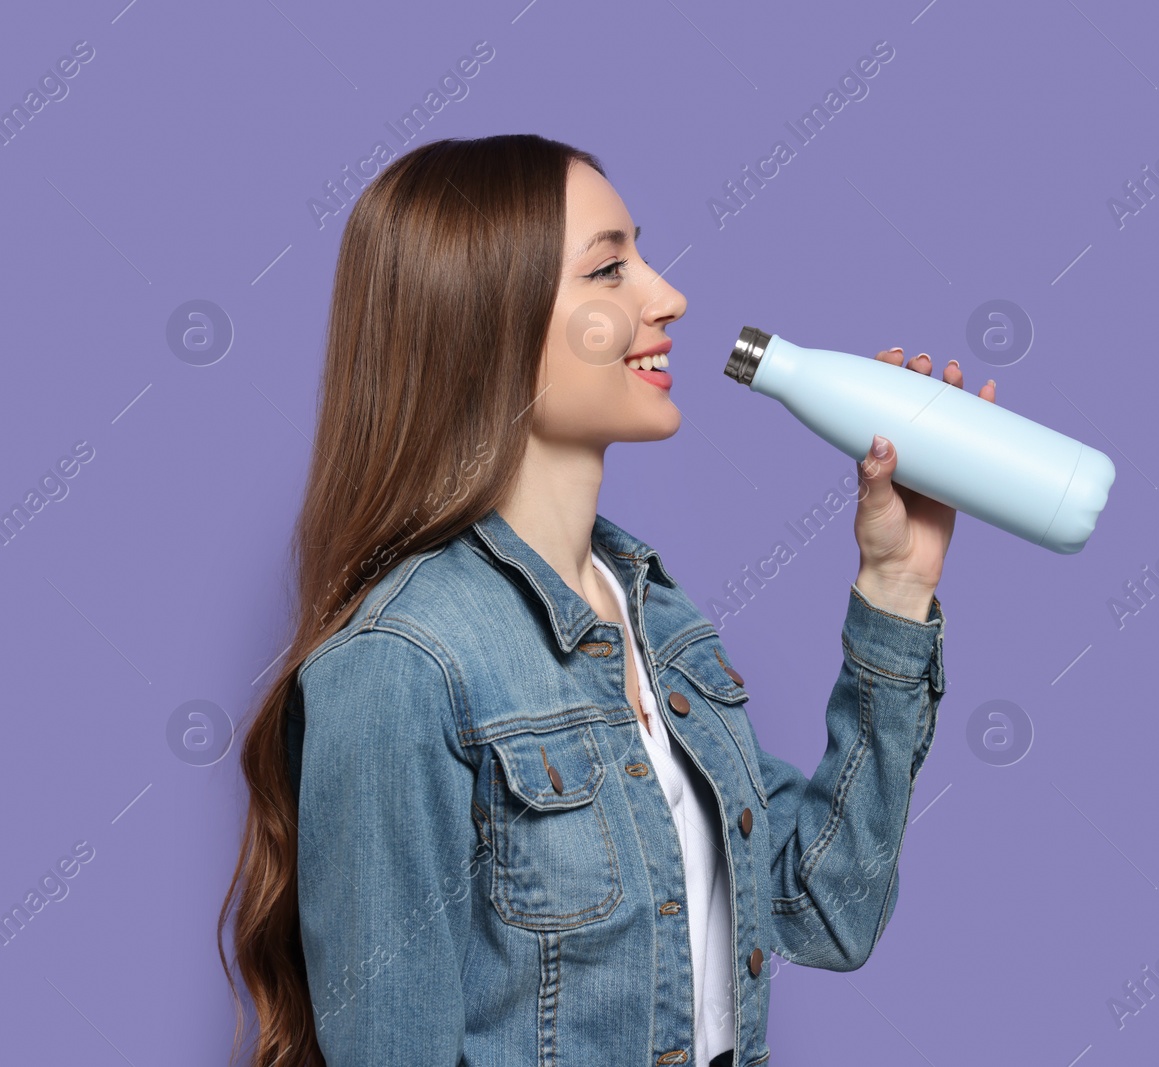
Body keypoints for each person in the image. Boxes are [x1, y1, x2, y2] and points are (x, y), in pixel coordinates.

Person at [218, 132, 998, 1067]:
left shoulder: (654, 616)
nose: (666, 297)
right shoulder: (402, 660)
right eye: (609, 270)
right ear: (485, 319)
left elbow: (825, 906)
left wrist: (895, 587)